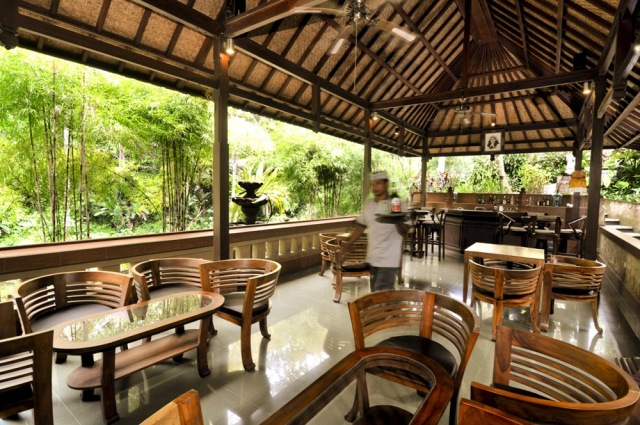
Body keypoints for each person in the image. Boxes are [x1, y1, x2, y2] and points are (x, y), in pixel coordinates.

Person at [339, 171, 409, 292]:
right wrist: (345, 247)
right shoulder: (369, 205)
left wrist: (397, 218)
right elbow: (359, 228)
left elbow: (405, 231)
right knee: (376, 294)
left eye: (378, 183)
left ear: (386, 184)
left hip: (389, 259)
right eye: (372, 184)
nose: (374, 187)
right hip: (372, 258)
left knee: (381, 292)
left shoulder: (397, 203)